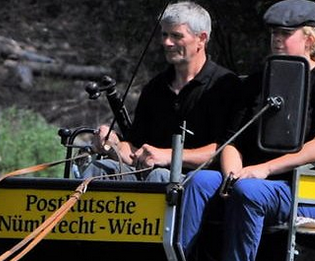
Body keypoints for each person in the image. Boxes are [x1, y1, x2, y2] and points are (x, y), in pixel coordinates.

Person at [178, 0, 315, 261]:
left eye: (285, 33)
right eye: (273, 34)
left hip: (305, 191)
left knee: (250, 190)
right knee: (201, 180)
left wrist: (264, 169)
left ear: (310, 38)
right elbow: (232, 141)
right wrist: (231, 174)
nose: (276, 40)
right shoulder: (258, 82)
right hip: (251, 180)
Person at [86, 2, 240, 181]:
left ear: (201, 39)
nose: (167, 42)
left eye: (176, 36)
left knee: (159, 176)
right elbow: (135, 150)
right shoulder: (155, 88)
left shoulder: (225, 86)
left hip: (196, 184)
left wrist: (169, 156)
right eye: (165, 34)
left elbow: (226, 150)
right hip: (147, 178)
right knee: (99, 168)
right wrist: (114, 145)